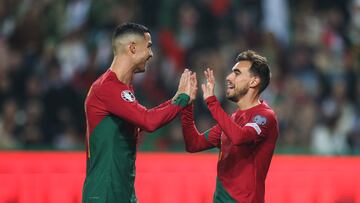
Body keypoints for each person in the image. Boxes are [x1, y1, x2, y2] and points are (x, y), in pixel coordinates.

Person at [82, 23, 195, 203]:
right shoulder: (107, 87)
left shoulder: (123, 89)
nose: (151, 54)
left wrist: (177, 99)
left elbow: (144, 118)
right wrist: (180, 99)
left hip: (122, 194)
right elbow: (148, 121)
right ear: (133, 48)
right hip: (104, 195)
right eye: (149, 46)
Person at [181, 50, 279, 203]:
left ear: (254, 82)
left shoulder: (265, 116)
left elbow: (240, 137)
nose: (228, 77)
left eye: (237, 73)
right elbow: (193, 144)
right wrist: (187, 106)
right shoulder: (232, 120)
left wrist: (212, 102)